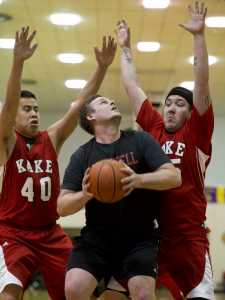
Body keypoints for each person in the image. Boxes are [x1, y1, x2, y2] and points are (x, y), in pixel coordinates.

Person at [0, 26, 117, 300]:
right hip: (13, 233)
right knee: (9, 292)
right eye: (27, 109)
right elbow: (7, 108)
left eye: (36, 110)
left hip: (50, 232)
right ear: (13, 114)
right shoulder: (7, 140)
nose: (34, 114)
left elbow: (79, 105)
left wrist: (100, 68)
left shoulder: (50, 138)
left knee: (74, 289)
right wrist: (18, 62)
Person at [114, 1, 214, 299]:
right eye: (169, 103)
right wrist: (126, 48)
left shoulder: (196, 132)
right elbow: (132, 86)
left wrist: (198, 37)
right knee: (117, 291)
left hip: (187, 235)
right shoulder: (154, 128)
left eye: (179, 104)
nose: (171, 108)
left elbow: (202, 83)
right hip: (149, 234)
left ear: (190, 112)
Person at [57, 93, 181, 300]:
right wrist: (86, 194)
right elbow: (62, 206)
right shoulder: (83, 155)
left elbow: (174, 176)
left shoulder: (140, 140)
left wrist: (138, 180)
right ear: (90, 117)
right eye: (103, 102)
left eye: (111, 100)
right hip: (96, 240)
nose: (112, 101)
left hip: (138, 239)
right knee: (74, 288)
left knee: (143, 294)